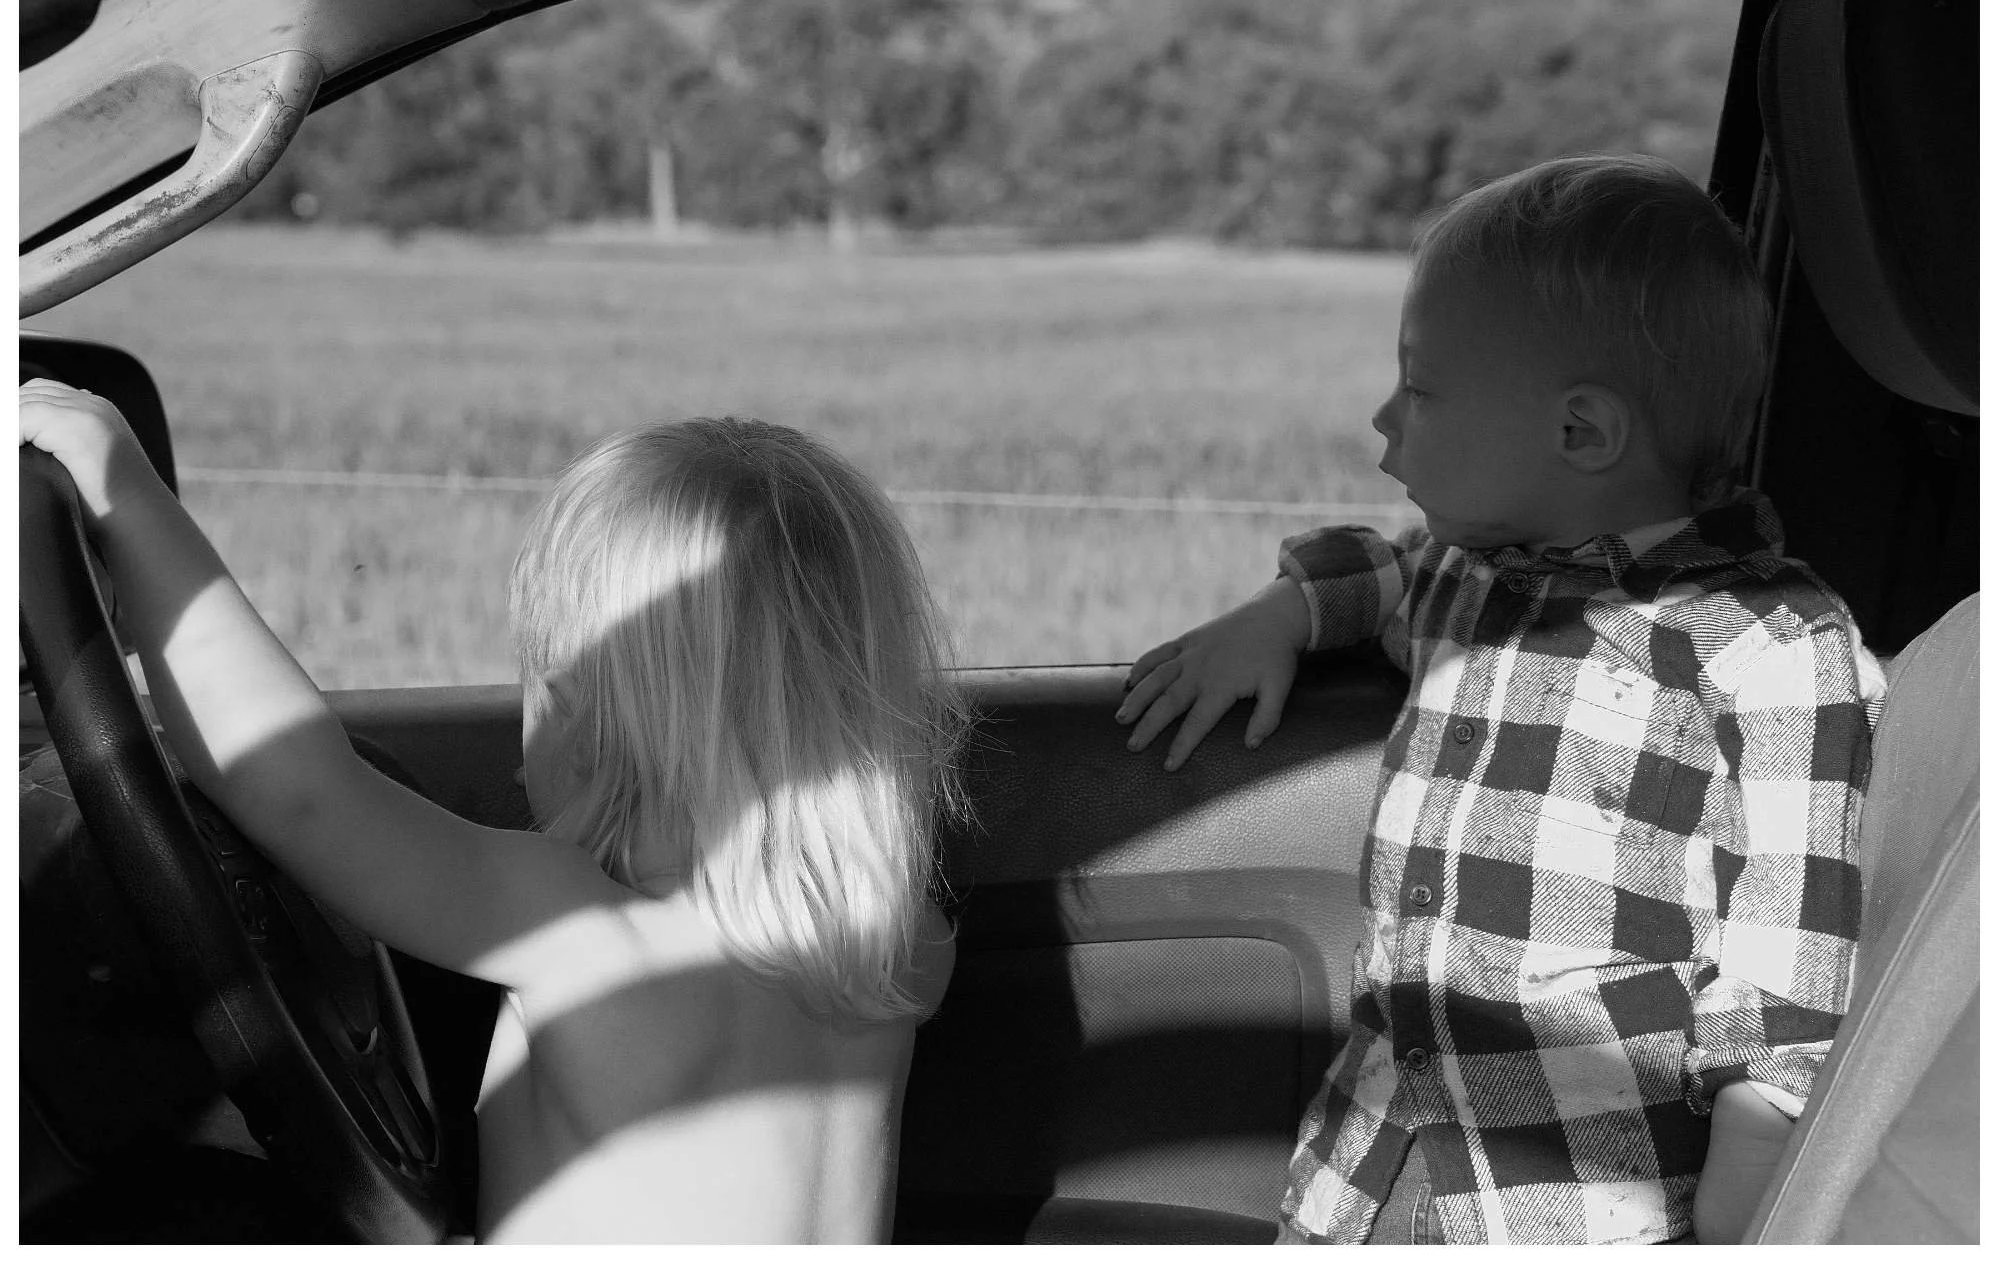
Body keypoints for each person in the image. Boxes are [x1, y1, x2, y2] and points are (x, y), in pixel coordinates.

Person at [1113, 155, 1882, 1245]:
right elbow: (1377, 572)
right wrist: (1279, 614)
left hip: (1576, 1205)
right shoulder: (1460, 579)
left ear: (1578, 434)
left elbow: (1782, 963)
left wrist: (1747, 1193)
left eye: (1419, 389)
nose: (1384, 420)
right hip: (1367, 1167)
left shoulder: (1772, 648)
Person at [19, 389, 969, 1243]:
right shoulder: (902, 946)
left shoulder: (585, 929)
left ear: (593, 716)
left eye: (539, 680)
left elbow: (301, 792)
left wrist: (129, 492)